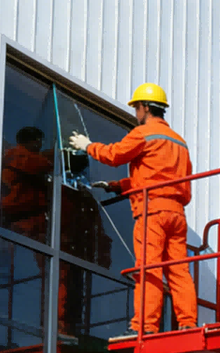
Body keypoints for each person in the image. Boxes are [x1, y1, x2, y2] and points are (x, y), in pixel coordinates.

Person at [69, 83, 197, 334]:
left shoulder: (144, 133)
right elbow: (160, 177)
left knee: (149, 268)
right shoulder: (179, 143)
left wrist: (88, 146)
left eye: (137, 108)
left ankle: (145, 326)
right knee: (179, 270)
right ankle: (188, 322)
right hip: (176, 213)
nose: (136, 113)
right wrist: (118, 186)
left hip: (152, 212)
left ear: (145, 107)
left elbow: (114, 155)